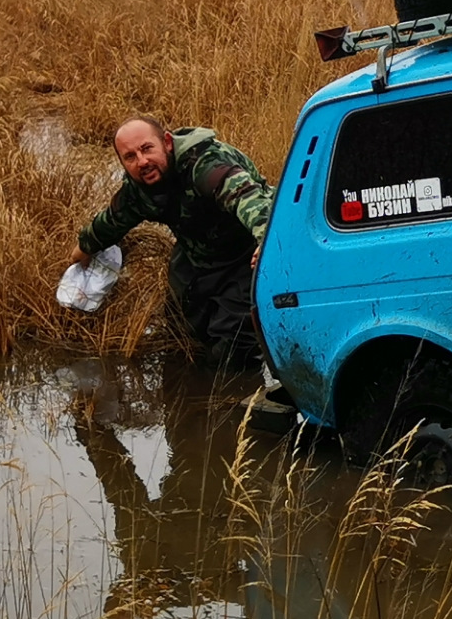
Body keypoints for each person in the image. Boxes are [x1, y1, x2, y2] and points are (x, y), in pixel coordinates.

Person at [70, 115, 297, 427]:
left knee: (233, 349)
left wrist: (265, 240)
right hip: (194, 256)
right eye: (130, 157)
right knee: (184, 336)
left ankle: (235, 418)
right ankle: (188, 423)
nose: (142, 161)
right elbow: (112, 220)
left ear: (166, 142)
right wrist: (83, 249)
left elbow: (251, 200)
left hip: (245, 255)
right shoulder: (138, 189)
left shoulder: (206, 165)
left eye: (147, 149)